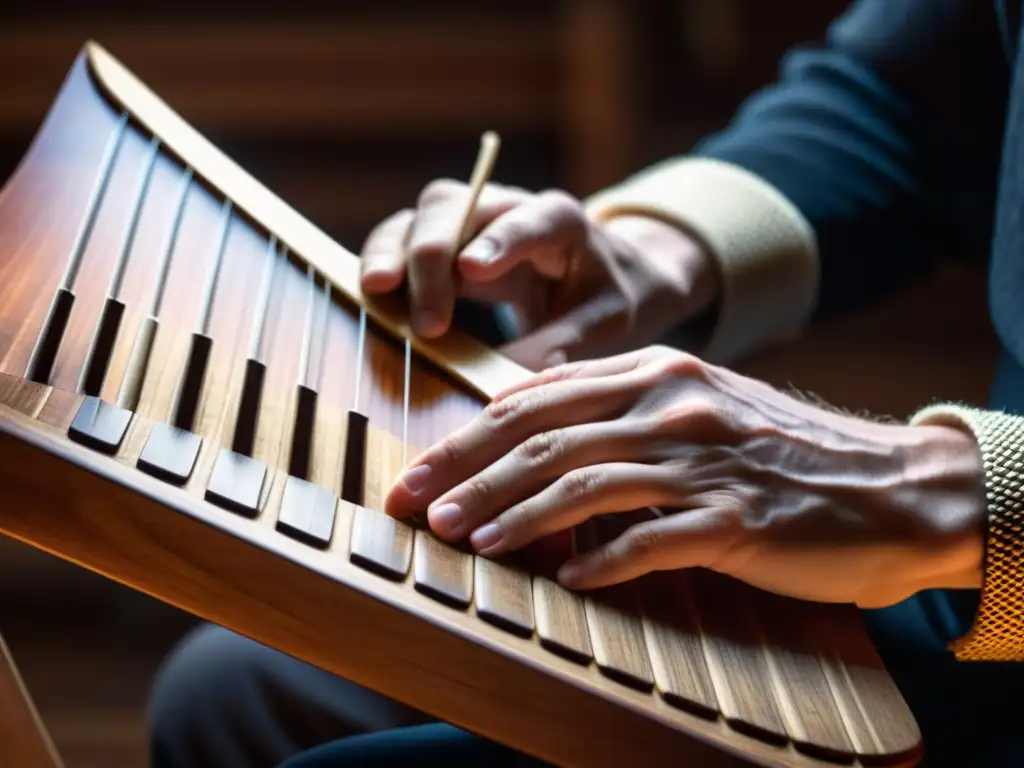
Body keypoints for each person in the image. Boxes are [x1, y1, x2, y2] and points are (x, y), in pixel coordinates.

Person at [148, 1, 1024, 766]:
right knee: (235, 694)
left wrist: (969, 495)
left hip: (992, 583)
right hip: (965, 586)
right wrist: (652, 256)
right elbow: (915, 98)